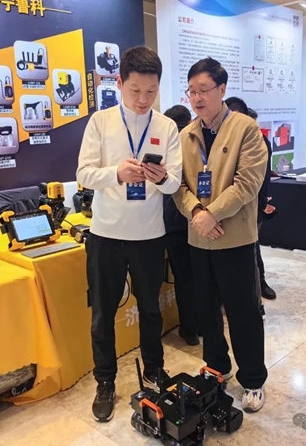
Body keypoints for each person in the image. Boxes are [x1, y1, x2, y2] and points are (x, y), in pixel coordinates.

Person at [77, 46, 183, 422]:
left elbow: (176, 183)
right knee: (102, 313)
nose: (143, 99)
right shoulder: (101, 122)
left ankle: (154, 369)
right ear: (119, 83)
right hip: (105, 234)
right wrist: (116, 174)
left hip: (150, 235)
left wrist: (162, 177)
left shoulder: (166, 127)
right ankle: (105, 381)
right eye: (135, 90)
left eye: (151, 91)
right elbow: (84, 173)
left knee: (151, 309)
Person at [173, 57, 268, 412]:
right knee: (206, 308)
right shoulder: (186, 135)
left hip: (235, 237)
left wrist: (211, 213)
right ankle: (216, 366)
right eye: (191, 91)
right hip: (199, 236)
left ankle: (253, 378)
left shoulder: (246, 128)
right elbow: (178, 185)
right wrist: (197, 213)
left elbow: (248, 183)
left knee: (243, 310)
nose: (197, 98)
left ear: (222, 89)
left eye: (204, 90)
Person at [225, 97, 277, 314]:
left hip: (250, 209)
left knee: (251, 255)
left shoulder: (257, 141)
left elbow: (260, 180)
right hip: (226, 210)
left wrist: (262, 204)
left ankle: (256, 301)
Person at [162, 105, 199, 346]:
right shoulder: (198, 143)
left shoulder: (166, 146)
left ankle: (190, 330)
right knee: (201, 276)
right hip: (199, 218)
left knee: (184, 278)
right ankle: (202, 325)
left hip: (173, 222)